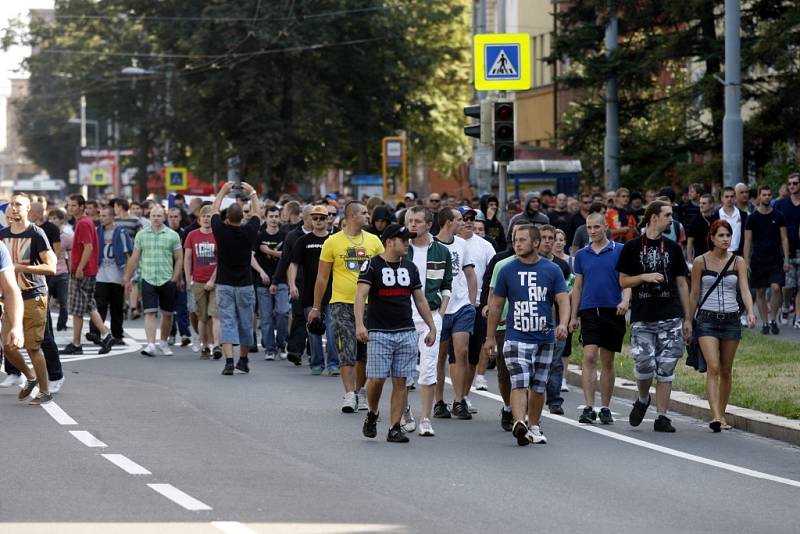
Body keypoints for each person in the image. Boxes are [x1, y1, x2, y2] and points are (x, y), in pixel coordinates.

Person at [484, 225, 569, 446]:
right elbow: (495, 306)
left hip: (544, 338)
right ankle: (519, 422)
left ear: (535, 243)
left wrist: (563, 323)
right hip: (515, 336)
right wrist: (490, 337)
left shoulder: (552, 270)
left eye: (522, 240)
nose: (517, 244)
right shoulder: (507, 270)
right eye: (515, 240)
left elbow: (562, 299)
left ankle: (533, 425)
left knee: (539, 386)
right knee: (519, 381)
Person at [617, 200, 692, 433]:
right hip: (643, 315)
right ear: (653, 218)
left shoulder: (673, 247)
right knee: (644, 361)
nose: (672, 219)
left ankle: (662, 416)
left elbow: (682, 283)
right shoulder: (631, 247)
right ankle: (642, 399)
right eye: (668, 215)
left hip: (670, 314)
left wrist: (688, 318)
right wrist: (645, 277)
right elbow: (624, 281)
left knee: (666, 367)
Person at [357, 224, 437, 443]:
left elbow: (419, 299)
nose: (407, 243)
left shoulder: (410, 267)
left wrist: (431, 326)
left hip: (406, 330)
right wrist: (359, 325)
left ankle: (394, 427)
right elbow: (360, 295)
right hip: (379, 330)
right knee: (377, 379)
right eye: (403, 240)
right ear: (390, 241)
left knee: (401, 380)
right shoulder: (372, 265)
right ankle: (372, 413)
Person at [310, 201, 384, 412]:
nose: (368, 216)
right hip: (341, 302)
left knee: (364, 352)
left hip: (370, 303)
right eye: (363, 213)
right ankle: (349, 394)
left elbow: (381, 272)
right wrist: (316, 307)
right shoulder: (332, 242)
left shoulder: (374, 241)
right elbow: (322, 278)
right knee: (346, 349)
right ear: (352, 216)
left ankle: (360, 391)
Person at [690, 220, 756, 432]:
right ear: (712, 238)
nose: (725, 239)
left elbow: (745, 290)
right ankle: (716, 416)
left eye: (728, 235)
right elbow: (694, 293)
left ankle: (722, 413)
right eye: (721, 235)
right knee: (714, 366)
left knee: (726, 370)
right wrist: (688, 320)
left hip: (731, 318)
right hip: (706, 319)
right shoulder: (700, 261)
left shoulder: (738, 261)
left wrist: (751, 312)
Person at [569, 213, 630, 424]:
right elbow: (577, 286)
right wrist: (572, 315)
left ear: (605, 227)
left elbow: (626, 281)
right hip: (589, 310)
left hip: (612, 310)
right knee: (589, 356)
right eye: (589, 227)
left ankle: (605, 407)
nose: (592, 231)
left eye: (596, 227)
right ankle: (588, 406)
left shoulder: (620, 250)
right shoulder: (582, 255)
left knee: (608, 360)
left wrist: (625, 301)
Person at [0, 194, 58, 404]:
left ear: (27, 210)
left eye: (18, 205)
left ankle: (45, 391)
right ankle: (30, 376)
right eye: (11, 205)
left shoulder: (36, 233)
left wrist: (20, 267)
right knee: (8, 346)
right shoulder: (2, 235)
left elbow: (51, 267)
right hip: (10, 299)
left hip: (34, 296)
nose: (13, 208)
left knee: (33, 347)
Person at [404, 206, 452, 436]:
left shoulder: (441, 252)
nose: (413, 225)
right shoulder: (401, 249)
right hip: (403, 316)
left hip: (431, 317)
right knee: (403, 369)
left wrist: (440, 315)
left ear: (428, 224)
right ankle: (403, 410)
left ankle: (425, 418)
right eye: (410, 221)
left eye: (417, 221)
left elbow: (446, 286)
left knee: (429, 367)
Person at [207, 183, 261, 375]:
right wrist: (252, 192)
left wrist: (222, 192)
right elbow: (257, 215)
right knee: (246, 321)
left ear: (227, 218)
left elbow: (213, 211)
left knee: (227, 321)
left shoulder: (220, 231)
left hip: (225, 283)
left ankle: (229, 361)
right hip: (245, 283)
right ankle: (243, 360)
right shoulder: (249, 231)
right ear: (241, 218)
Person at [433, 207, 477, 420]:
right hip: (439, 309)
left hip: (461, 307)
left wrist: (472, 301)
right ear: (448, 222)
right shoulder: (432, 245)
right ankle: (439, 401)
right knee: (439, 357)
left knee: (462, 351)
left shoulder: (462, 245)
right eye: (459, 219)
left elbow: (470, 274)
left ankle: (460, 400)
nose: (463, 223)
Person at [122, 205, 183, 357]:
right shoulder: (141, 235)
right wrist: (128, 278)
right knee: (150, 312)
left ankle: (163, 342)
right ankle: (150, 344)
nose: (156, 218)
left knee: (167, 314)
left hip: (167, 278)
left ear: (164, 217)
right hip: (148, 277)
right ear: (149, 217)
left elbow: (179, 258)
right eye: (153, 215)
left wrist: (175, 278)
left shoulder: (172, 235)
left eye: (159, 215)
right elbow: (135, 258)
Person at [288, 205, 339, 375]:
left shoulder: (334, 240)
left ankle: (333, 364)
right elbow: (293, 264)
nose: (318, 221)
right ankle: (316, 363)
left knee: (332, 330)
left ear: (328, 220)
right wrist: (292, 285)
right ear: (310, 219)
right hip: (309, 292)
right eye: (315, 218)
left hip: (333, 292)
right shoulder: (303, 240)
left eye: (322, 218)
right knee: (314, 329)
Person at [62, 195, 115, 356]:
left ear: (81, 206)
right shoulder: (84, 222)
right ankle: (80, 342)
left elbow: (89, 247)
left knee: (83, 307)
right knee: (83, 307)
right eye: (69, 205)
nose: (70, 208)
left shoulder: (84, 223)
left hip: (83, 271)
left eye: (73, 205)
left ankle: (103, 335)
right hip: (86, 270)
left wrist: (80, 267)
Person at [457, 206, 496, 402]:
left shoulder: (485, 246)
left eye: (471, 218)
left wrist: (490, 303)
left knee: (472, 354)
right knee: (457, 354)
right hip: (454, 305)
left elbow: (493, 277)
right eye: (464, 218)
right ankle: (456, 397)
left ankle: (464, 396)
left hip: (479, 305)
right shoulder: (448, 244)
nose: (469, 222)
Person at [536, 224, 573, 416]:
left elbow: (566, 296)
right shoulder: (530, 262)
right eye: (544, 238)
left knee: (556, 362)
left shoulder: (562, 266)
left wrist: (565, 322)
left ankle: (555, 400)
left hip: (556, 321)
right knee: (534, 363)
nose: (548, 241)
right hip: (534, 322)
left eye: (551, 238)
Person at [743, 185, 789, 334]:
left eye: (769, 194)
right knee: (761, 291)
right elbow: (747, 242)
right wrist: (746, 261)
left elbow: (784, 238)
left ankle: (773, 319)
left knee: (776, 288)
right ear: (758, 197)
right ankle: (765, 323)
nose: (767, 197)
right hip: (758, 260)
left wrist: (787, 259)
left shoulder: (778, 216)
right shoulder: (752, 218)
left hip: (776, 259)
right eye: (764, 195)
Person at [89, 206, 133, 346]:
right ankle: (96, 333)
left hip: (117, 276)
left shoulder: (120, 232)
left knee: (116, 307)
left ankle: (117, 335)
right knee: (99, 305)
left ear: (112, 217)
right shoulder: (97, 232)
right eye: (100, 216)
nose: (101, 218)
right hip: (101, 275)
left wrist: (127, 275)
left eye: (104, 216)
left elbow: (128, 255)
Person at [184, 205, 220, 359]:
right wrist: (188, 278)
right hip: (197, 281)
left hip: (216, 281)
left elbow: (221, 260)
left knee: (216, 315)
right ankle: (205, 346)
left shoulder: (218, 235)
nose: (206, 218)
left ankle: (217, 346)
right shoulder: (192, 235)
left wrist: (212, 279)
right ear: (199, 220)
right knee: (202, 317)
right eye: (204, 216)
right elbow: (187, 258)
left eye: (209, 216)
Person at [256, 205, 289, 360]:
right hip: (263, 281)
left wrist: (268, 251)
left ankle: (281, 343)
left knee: (283, 312)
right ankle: (270, 348)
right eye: (271, 216)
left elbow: (287, 256)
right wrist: (261, 272)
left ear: (280, 217)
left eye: (276, 216)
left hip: (282, 279)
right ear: (266, 218)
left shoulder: (285, 235)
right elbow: (251, 256)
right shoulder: (259, 236)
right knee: (266, 317)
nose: (274, 219)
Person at [774, 173, 800, 326]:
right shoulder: (781, 204)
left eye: (795, 183)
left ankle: (798, 317)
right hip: (786, 251)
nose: (792, 186)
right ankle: (785, 307)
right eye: (790, 184)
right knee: (788, 286)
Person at [686, 193, 719, 262]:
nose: (701, 205)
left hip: (716, 258)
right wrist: (689, 261)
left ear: (711, 205)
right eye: (700, 203)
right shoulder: (695, 220)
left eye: (704, 203)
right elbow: (690, 242)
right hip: (699, 259)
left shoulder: (718, 219)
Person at [718, 186, 747, 256]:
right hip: (721, 253)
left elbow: (746, 237)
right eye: (726, 197)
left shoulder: (743, 215)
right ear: (722, 198)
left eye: (731, 196)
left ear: (735, 198)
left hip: (739, 253)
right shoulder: (716, 215)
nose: (729, 199)